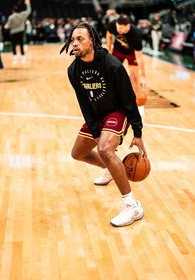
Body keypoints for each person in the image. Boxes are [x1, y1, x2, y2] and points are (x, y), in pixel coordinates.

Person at [60, 23, 148, 227]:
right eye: (72, 39)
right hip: (97, 114)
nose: (75, 43)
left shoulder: (112, 65)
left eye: (80, 38)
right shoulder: (73, 70)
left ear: (92, 40)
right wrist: (95, 129)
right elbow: (84, 103)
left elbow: (129, 99)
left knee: (105, 149)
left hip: (118, 111)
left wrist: (138, 132)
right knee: (78, 153)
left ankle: (132, 206)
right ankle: (111, 168)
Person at [106, 14, 147, 95]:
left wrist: (143, 76)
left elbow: (139, 57)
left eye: (121, 28)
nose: (118, 30)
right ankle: (113, 96)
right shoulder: (113, 24)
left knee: (135, 77)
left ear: (127, 26)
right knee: (112, 75)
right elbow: (109, 35)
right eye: (117, 27)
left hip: (131, 53)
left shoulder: (136, 34)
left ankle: (135, 99)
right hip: (117, 51)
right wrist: (108, 49)